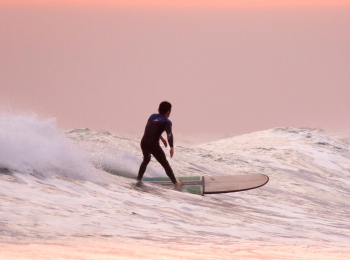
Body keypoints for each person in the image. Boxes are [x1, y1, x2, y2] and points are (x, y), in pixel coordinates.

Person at [137, 101, 183, 188]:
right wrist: (171, 147)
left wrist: (161, 138)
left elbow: (150, 129)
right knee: (165, 164)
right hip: (153, 145)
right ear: (168, 111)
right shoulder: (167, 121)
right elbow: (169, 134)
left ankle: (139, 179)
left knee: (146, 160)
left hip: (143, 142)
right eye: (170, 110)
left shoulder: (152, 116)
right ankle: (175, 183)